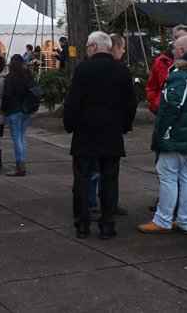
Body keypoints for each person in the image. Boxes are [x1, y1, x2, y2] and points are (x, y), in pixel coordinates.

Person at [139, 34, 187, 235]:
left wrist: (162, 133)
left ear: (182, 51)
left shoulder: (181, 76)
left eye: (174, 48)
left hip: (177, 135)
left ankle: (163, 219)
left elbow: (172, 107)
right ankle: (185, 220)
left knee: (168, 177)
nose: (171, 51)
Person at [64, 32, 137, 240]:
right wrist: (124, 126)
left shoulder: (83, 69)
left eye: (88, 45)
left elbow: (73, 101)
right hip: (111, 133)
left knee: (81, 180)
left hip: (85, 133)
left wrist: (70, 125)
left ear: (94, 47)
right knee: (110, 181)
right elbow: (130, 103)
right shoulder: (122, 70)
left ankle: (82, 225)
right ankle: (107, 225)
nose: (87, 48)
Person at [1, 54, 34, 177]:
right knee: (21, 137)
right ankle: (21, 163)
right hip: (26, 109)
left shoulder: (10, 78)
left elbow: (7, 95)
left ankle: (20, 165)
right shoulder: (28, 76)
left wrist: (4, 109)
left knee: (16, 138)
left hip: (14, 110)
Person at [146, 24, 187, 114]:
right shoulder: (161, 62)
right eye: (184, 40)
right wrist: (155, 106)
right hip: (165, 112)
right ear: (174, 40)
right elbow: (152, 87)